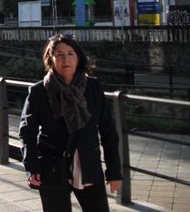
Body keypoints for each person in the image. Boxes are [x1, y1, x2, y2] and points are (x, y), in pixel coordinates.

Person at [19, 34, 123, 212]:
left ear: (79, 58)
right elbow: (27, 131)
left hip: (88, 167)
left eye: (70, 53)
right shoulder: (39, 91)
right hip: (52, 169)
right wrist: (32, 167)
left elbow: (108, 132)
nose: (65, 59)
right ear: (51, 59)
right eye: (59, 54)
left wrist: (114, 172)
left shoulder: (93, 88)